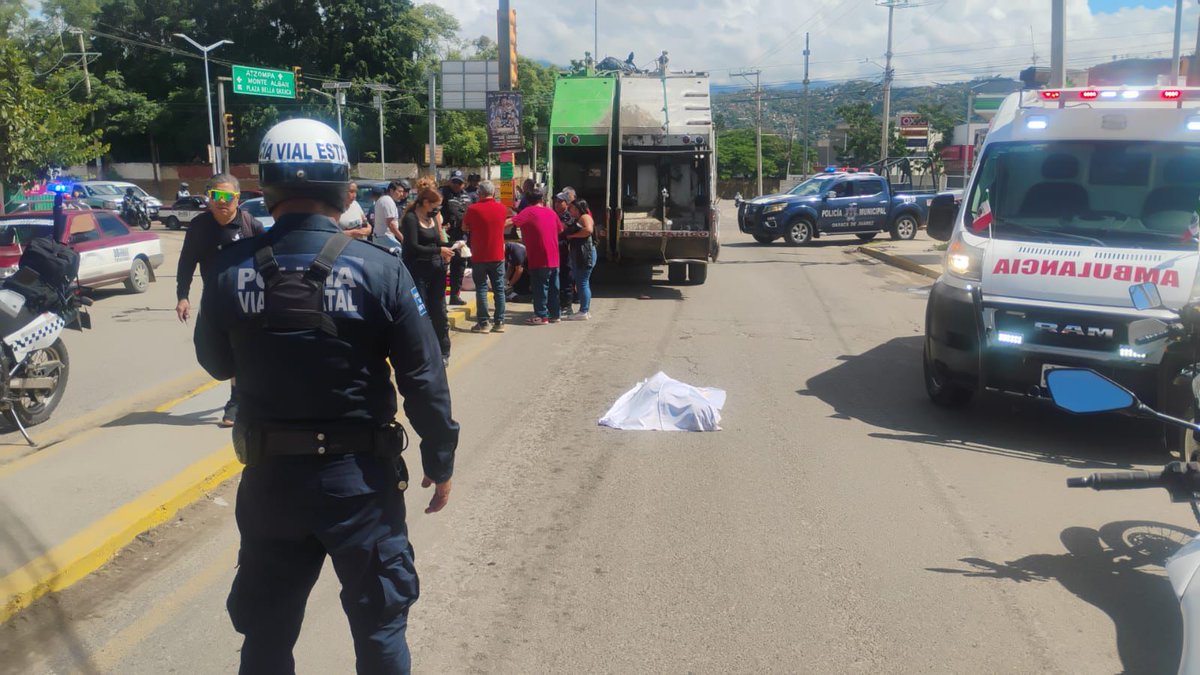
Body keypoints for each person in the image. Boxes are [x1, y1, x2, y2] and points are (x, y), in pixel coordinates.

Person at [194, 118, 458, 674]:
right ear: (344, 190)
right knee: (380, 629)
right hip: (360, 485)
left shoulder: (228, 268)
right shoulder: (381, 269)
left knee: (266, 635)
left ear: (266, 187)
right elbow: (424, 377)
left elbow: (216, 362)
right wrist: (440, 456)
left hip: (271, 483)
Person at [176, 173, 264, 427]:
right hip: (213, 299)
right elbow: (186, 263)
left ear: (237, 199)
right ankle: (243, 389)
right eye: (216, 196)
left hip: (246, 299)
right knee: (209, 351)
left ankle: (237, 400)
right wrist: (182, 296)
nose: (221, 202)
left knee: (239, 349)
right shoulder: (199, 226)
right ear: (209, 198)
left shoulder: (251, 226)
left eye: (227, 197)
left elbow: (268, 261)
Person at [401, 188, 454, 366]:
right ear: (425, 203)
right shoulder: (410, 219)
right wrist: (439, 250)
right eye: (435, 206)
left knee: (439, 310)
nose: (437, 210)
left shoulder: (431, 218)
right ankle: (423, 351)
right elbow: (413, 246)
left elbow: (437, 241)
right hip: (418, 270)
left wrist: (451, 246)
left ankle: (444, 350)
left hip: (436, 269)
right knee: (421, 310)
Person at [511, 187, 562, 324]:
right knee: (553, 287)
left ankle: (541, 315)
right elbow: (560, 229)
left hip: (538, 256)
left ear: (527, 201)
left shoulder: (528, 211)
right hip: (554, 256)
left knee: (540, 287)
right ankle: (555, 314)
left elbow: (511, 222)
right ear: (542, 199)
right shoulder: (551, 212)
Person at [462, 180, 508, 334]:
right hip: (497, 255)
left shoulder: (473, 209)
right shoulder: (502, 208)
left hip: (479, 255)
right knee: (499, 289)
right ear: (493, 193)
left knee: (481, 288)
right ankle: (499, 321)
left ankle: (483, 323)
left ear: (479, 193)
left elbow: (464, 227)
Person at [440, 170, 475, 306]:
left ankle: (455, 295)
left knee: (459, 266)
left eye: (459, 182)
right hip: (447, 236)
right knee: (443, 267)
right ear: (449, 181)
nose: (456, 184)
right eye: (454, 181)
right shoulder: (443, 194)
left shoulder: (468, 196)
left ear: (463, 184)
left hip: (462, 236)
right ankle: (440, 298)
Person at [566, 199, 597, 320]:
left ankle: (584, 310)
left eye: (572, 208)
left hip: (585, 254)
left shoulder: (585, 217)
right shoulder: (579, 219)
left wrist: (572, 236)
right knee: (582, 282)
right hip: (582, 254)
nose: (570, 210)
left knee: (582, 282)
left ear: (578, 208)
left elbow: (588, 230)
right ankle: (584, 309)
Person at [553, 189, 577, 315]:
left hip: (566, 251)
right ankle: (559, 304)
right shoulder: (555, 215)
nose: (557, 204)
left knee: (566, 278)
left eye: (560, 202)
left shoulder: (569, 216)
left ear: (566, 204)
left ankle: (567, 306)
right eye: (556, 202)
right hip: (556, 251)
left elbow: (560, 229)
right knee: (557, 278)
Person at [373, 180, 405, 251]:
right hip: (385, 238)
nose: (402, 194)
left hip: (381, 237)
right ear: (391, 191)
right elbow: (390, 224)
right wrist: (403, 238)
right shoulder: (388, 201)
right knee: (399, 254)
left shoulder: (383, 199)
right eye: (399, 191)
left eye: (402, 191)